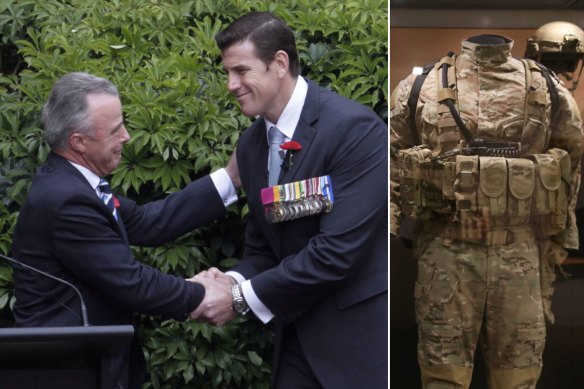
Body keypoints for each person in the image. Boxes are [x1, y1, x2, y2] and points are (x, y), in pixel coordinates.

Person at [189, 11, 388, 388]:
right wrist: (228, 281)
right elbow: (264, 249)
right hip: (296, 341)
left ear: (280, 63)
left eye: (242, 71)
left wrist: (239, 299)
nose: (231, 85)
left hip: (359, 345)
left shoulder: (354, 131)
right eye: (227, 73)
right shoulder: (251, 145)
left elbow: (335, 254)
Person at [10, 72, 239, 389]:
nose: (127, 136)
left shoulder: (75, 183)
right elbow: (130, 282)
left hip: (90, 366)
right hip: (68, 373)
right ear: (79, 141)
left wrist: (231, 177)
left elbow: (148, 221)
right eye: (115, 130)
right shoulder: (67, 200)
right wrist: (204, 294)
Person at [390, 35, 583, 388]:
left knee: (519, 374)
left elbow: (571, 157)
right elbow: (391, 155)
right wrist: (386, 229)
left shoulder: (546, 87)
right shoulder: (421, 85)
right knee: (442, 373)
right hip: (445, 253)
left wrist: (559, 235)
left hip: (521, 254)